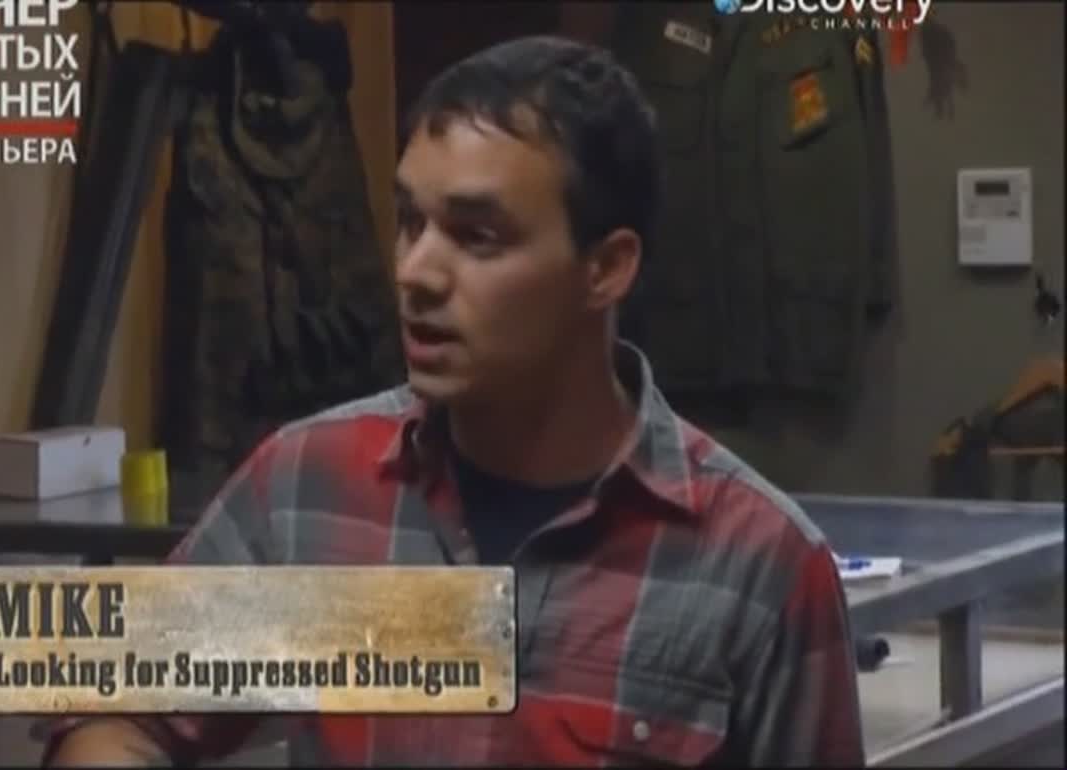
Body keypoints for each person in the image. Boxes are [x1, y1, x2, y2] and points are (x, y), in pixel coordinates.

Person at [42, 35, 865, 767]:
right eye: (411, 222)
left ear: (606, 268)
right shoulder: (306, 488)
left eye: (477, 236)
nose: (415, 273)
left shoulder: (760, 567)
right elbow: (116, 710)